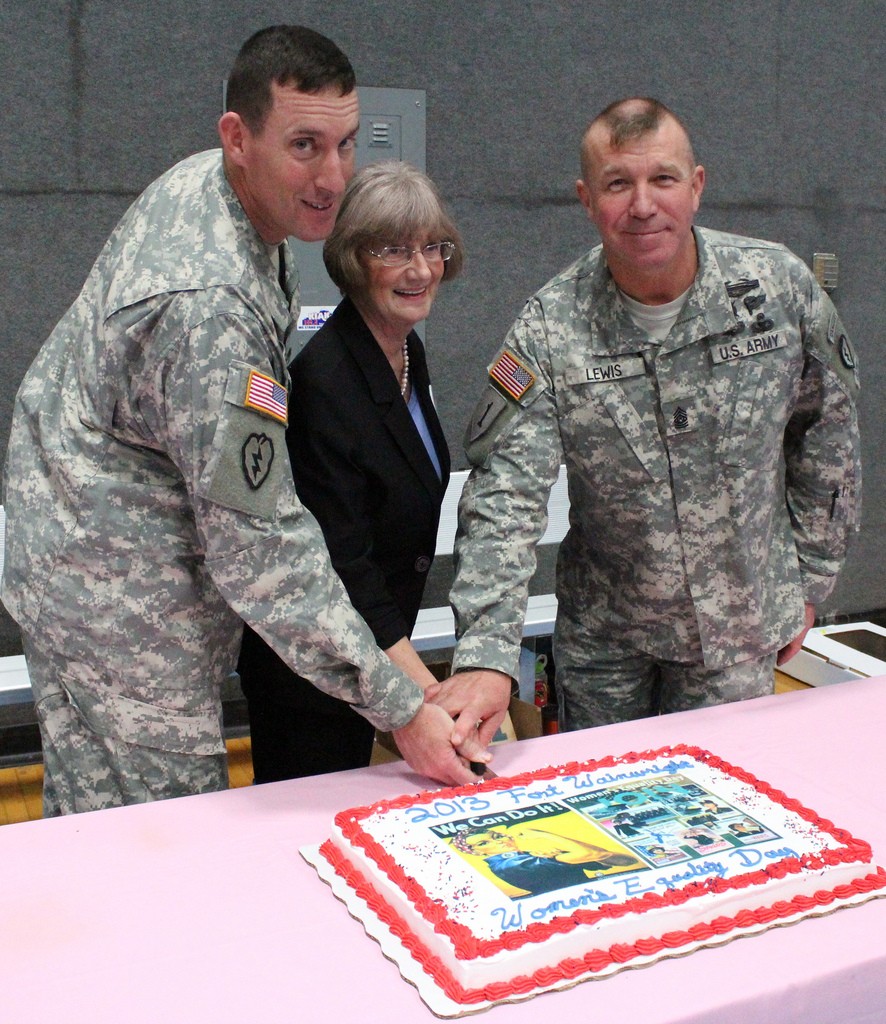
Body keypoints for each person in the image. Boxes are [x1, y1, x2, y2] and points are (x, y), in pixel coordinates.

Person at [0, 25, 486, 816]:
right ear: (237, 137)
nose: (332, 178)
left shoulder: (226, 197)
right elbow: (258, 545)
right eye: (304, 146)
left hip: (93, 553)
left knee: (102, 830)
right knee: (160, 837)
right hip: (119, 605)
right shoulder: (209, 311)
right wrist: (400, 708)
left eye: (345, 144)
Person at [434, 97, 860, 741]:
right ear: (585, 198)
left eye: (662, 179)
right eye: (617, 184)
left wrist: (811, 577)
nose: (642, 205)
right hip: (608, 644)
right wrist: (489, 653)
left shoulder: (776, 291)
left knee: (728, 813)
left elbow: (827, 437)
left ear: (696, 186)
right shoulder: (553, 326)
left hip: (736, 629)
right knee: (605, 811)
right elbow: (505, 496)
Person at [236, 161, 462, 780]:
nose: (420, 270)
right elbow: (344, 562)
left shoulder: (405, 349)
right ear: (354, 259)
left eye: (431, 248)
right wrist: (426, 693)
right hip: (315, 671)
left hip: (375, 653)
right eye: (394, 250)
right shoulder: (327, 380)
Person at [450, 825, 638, 897]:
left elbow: (626, 861)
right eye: (485, 842)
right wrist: (544, 834)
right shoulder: (510, 865)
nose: (498, 841)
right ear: (475, 852)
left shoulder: (529, 852)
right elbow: (594, 855)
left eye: (496, 835)